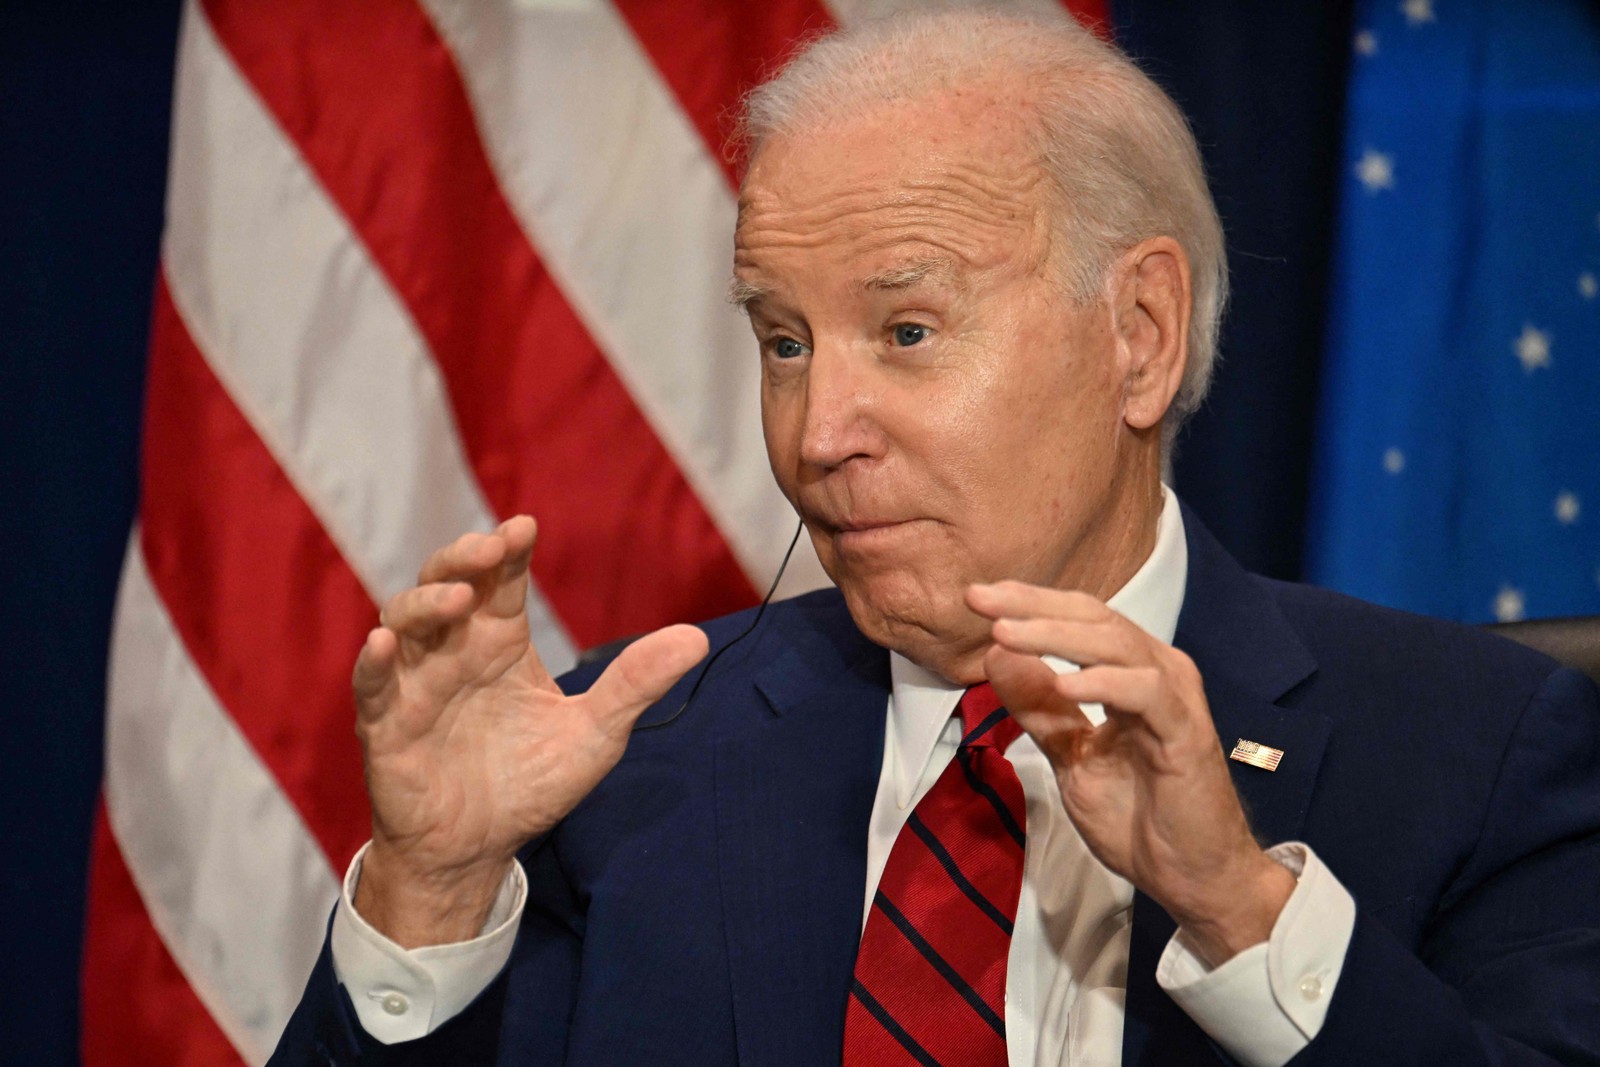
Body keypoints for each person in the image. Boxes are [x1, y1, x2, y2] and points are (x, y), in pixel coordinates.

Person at [270, 9, 1600, 1066]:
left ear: (1137, 335)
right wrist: (432, 898)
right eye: (783, 342)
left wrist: (1243, 915)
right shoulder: (625, 765)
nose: (816, 432)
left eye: (906, 332)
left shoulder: (1481, 755)